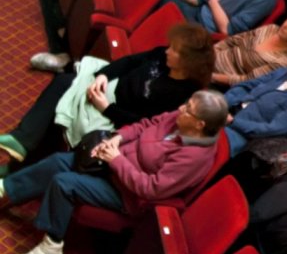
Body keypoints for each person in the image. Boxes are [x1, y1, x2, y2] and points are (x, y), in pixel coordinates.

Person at [0, 91, 229, 254]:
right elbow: (144, 125)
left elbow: (151, 188)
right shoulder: (178, 119)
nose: (181, 109)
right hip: (112, 163)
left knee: (64, 183)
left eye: (188, 110)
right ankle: (5, 191)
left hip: (127, 194)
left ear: (199, 125)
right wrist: (116, 138)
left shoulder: (194, 157)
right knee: (59, 162)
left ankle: (51, 252)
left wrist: (116, 159)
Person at [5, 24, 214, 170]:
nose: (168, 51)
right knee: (64, 84)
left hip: (114, 114)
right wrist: (104, 75)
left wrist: (105, 107)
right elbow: (130, 62)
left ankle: (21, 152)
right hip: (110, 86)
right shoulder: (162, 55)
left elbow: (141, 122)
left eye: (174, 50)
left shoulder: (180, 94)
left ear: (188, 63)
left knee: (66, 100)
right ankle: (21, 142)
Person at [210, 7, 287, 87]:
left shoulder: (281, 62)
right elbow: (234, 40)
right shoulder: (271, 28)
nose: (286, 25)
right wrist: (211, 51)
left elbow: (244, 80)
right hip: (211, 58)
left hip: (219, 80)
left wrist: (212, 76)